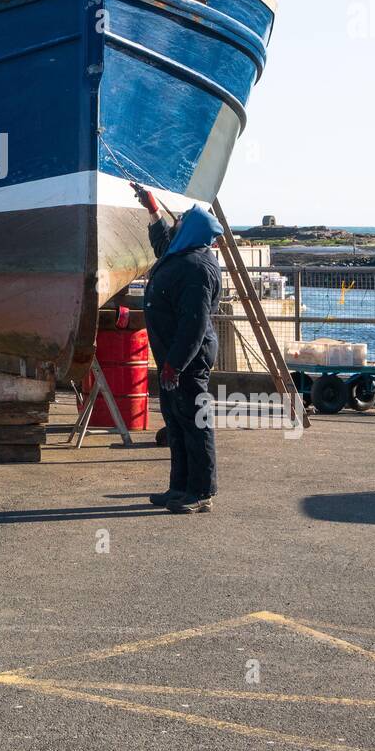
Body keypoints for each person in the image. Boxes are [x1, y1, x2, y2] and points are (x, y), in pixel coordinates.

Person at [132, 183, 223, 515]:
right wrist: (152, 208)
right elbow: (161, 244)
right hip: (173, 357)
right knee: (176, 419)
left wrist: (175, 364)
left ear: (193, 230)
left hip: (187, 360)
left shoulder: (197, 268)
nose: (177, 222)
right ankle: (180, 486)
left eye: (182, 220)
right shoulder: (180, 254)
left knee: (195, 421)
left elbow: (194, 324)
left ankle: (201, 492)